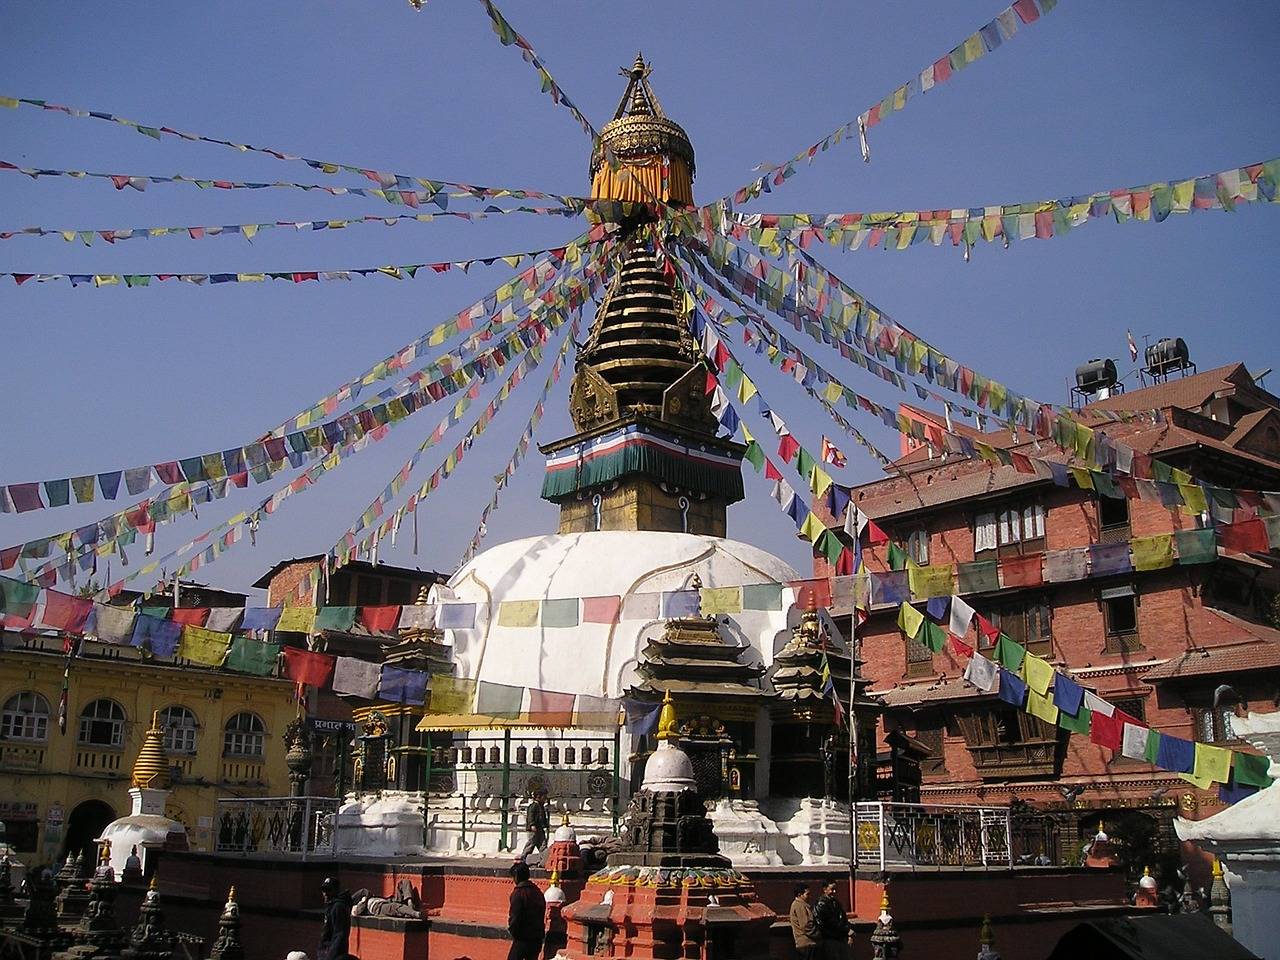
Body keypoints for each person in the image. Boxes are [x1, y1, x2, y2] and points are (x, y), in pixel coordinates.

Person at [506, 861, 545, 960]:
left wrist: (513, 931)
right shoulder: (537, 891)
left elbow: (515, 916)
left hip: (523, 937)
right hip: (537, 936)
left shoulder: (518, 893)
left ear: (516, 877)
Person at [813, 880, 850, 958]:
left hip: (839, 938)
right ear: (825, 889)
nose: (834, 891)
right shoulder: (821, 904)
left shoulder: (836, 903)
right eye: (832, 889)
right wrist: (844, 930)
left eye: (835, 889)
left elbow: (843, 918)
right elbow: (826, 922)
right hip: (829, 939)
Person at [317, 877, 351, 960]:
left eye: (328, 890)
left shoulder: (338, 907)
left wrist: (330, 956)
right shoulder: (331, 906)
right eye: (323, 890)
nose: (325, 893)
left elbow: (340, 934)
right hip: (326, 952)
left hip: (334, 954)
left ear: (336, 890)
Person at [789, 882, 818, 959]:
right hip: (806, 943)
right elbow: (806, 926)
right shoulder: (799, 905)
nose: (809, 897)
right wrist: (818, 934)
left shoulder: (801, 905)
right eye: (807, 894)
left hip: (806, 943)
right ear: (799, 895)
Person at [520, 788, 550, 862]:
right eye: (544, 796)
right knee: (531, 844)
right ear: (538, 796)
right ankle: (523, 858)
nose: (545, 798)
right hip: (534, 829)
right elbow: (530, 816)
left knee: (543, 845)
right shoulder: (533, 806)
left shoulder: (541, 806)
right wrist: (532, 825)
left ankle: (544, 859)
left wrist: (545, 825)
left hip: (540, 829)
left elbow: (542, 817)